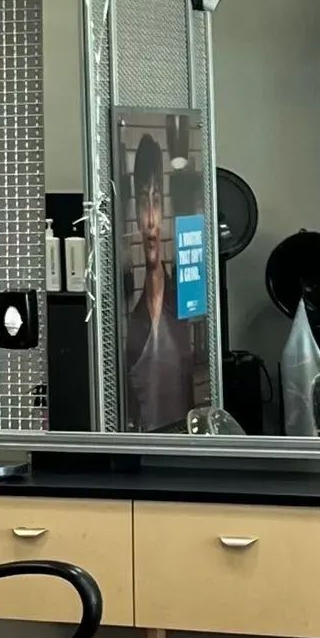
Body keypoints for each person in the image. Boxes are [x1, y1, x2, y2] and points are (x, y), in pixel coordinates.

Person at [123, 126, 195, 432]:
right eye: (143, 203)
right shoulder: (130, 313)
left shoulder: (180, 303)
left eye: (156, 202)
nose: (151, 219)